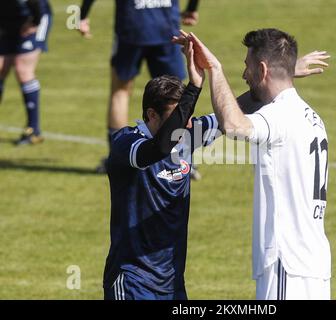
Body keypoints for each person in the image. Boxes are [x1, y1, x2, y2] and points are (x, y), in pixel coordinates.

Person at [175, 29, 332, 300]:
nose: (244, 75)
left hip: (287, 263)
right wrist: (287, 71)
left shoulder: (279, 116)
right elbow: (245, 107)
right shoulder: (310, 116)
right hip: (312, 264)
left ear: (262, 69)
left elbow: (234, 124)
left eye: (247, 66)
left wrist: (215, 69)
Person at [103, 38, 222, 300]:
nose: (186, 125)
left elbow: (236, 112)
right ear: (151, 115)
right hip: (133, 281)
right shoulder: (127, 144)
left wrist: (280, 78)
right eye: (177, 117)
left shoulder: (186, 134)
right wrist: (195, 86)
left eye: (188, 117)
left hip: (172, 284)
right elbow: (157, 150)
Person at [78, 0, 201, 177]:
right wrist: (191, 9)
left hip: (132, 25)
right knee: (176, 95)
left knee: (120, 91)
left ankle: (117, 157)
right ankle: (182, 159)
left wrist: (82, 15)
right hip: (165, 26)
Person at [0, 0, 52, 145]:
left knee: (23, 70)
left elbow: (37, 4)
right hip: (7, 21)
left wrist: (34, 21)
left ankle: (33, 131)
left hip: (34, 18)